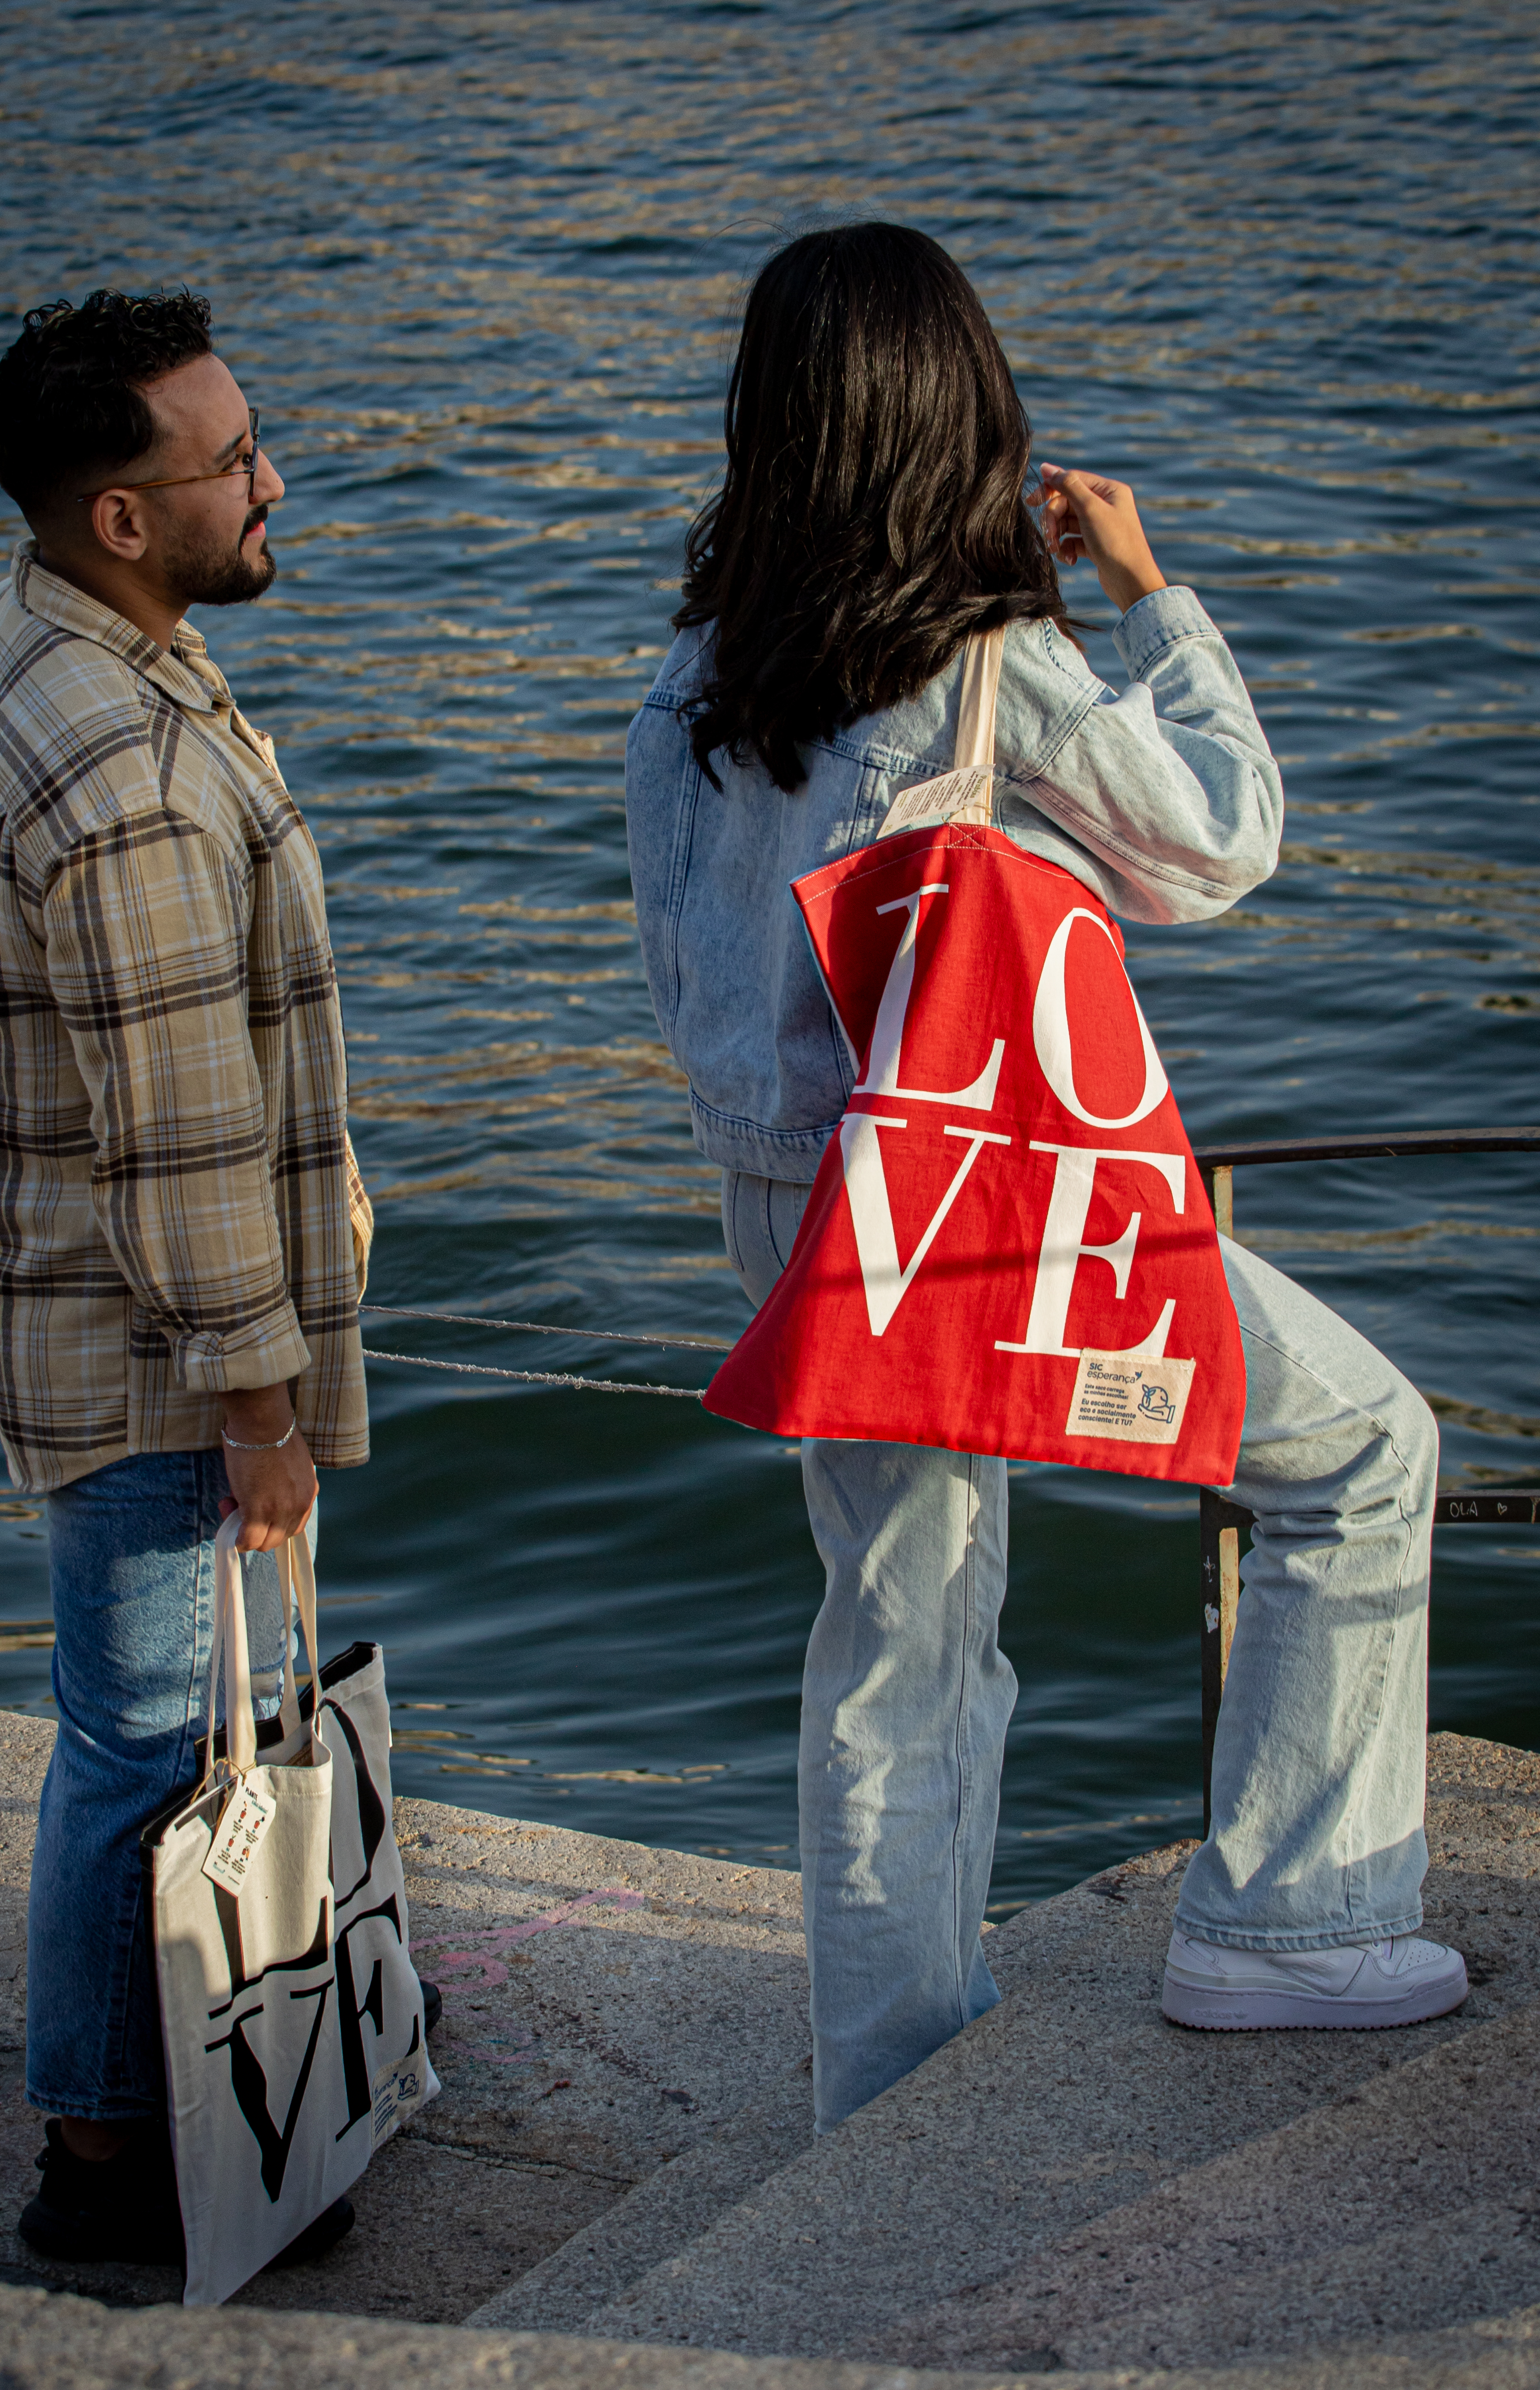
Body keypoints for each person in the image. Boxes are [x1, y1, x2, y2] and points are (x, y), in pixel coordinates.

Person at [625, 223, 1466, 2138]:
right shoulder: (987, 655)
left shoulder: (693, 677)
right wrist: (1150, 590)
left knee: (899, 1634)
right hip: (1000, 1201)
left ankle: (889, 2078)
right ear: (962, 416)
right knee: (1361, 1449)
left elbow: (692, 979)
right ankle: (1290, 1915)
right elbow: (1223, 845)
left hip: (798, 1214)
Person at [0, 290, 381, 2264]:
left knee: (131, 1728)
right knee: (140, 1747)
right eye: (232, 460)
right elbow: (185, 1153)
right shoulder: (133, 783)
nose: (272, 480)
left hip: (39, 1278)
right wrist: (263, 1423)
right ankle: (105, 2163)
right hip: (145, 1347)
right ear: (119, 513)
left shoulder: (26, 630)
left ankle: (118, 2116)